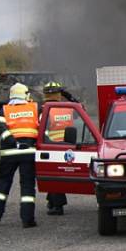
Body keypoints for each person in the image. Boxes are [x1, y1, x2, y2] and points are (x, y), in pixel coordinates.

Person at [0, 83, 39, 227]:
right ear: (26, 94)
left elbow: (2, 129)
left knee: (3, 182)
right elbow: (42, 129)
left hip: (8, 153)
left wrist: (13, 142)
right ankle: (27, 220)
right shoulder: (34, 108)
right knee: (27, 186)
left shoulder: (3, 110)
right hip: (28, 153)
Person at [42, 81, 80, 215]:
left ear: (45, 94)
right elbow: (81, 107)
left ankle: (57, 206)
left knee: (52, 176)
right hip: (68, 145)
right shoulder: (68, 107)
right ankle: (52, 202)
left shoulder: (45, 110)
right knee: (56, 176)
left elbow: (41, 129)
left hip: (51, 146)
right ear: (59, 94)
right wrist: (68, 95)